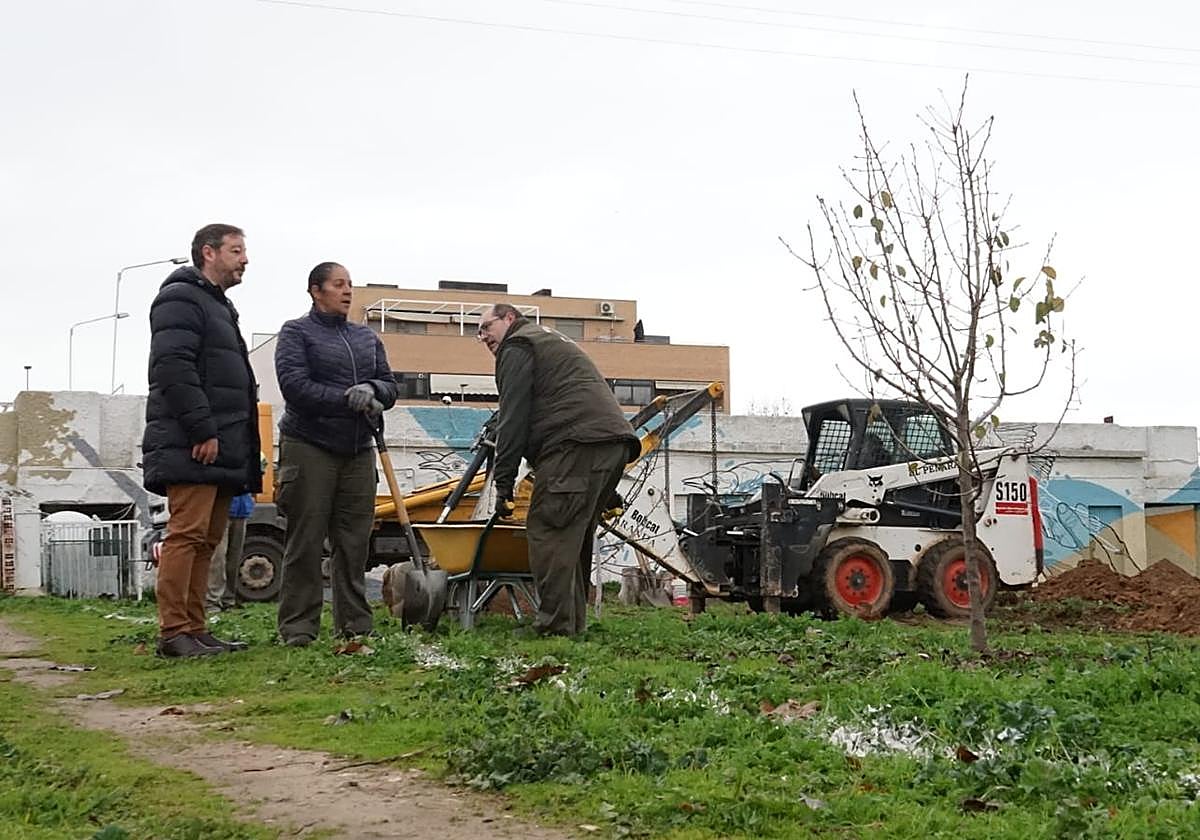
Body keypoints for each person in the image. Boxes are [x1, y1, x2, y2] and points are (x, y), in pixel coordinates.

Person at [478, 303, 640, 636]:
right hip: (611, 442)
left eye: (485, 327)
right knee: (573, 538)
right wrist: (607, 489)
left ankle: (554, 628)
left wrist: (503, 484)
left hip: (575, 444)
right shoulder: (548, 340)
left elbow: (514, 417)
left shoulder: (517, 345)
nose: (482, 337)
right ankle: (571, 627)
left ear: (509, 318)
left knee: (548, 529)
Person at [142, 223, 261, 658]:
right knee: (186, 535)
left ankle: (195, 627)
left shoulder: (217, 305)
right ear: (208, 253)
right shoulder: (181, 297)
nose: (244, 259)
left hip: (221, 442)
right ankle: (173, 632)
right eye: (236, 250)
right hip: (194, 441)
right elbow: (173, 367)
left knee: (207, 539)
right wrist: (202, 429)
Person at [274, 262, 398, 646]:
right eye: (338, 284)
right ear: (316, 290)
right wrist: (349, 399)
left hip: (358, 450)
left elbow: (391, 386)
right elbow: (295, 387)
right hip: (309, 445)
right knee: (306, 541)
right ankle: (298, 627)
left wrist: (375, 390)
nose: (347, 291)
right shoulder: (296, 333)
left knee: (354, 542)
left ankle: (355, 625)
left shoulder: (366, 338)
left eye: (350, 285)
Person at [205, 492, 255, 613]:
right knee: (218, 558)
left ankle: (229, 599)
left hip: (242, 510)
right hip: (221, 507)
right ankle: (212, 601)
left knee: (234, 559)